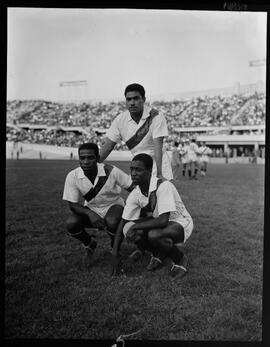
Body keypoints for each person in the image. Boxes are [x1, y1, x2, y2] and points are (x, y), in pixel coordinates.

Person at [111, 153, 193, 278]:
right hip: (160, 221)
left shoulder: (163, 186)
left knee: (153, 234)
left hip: (180, 222)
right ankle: (158, 254)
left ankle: (180, 259)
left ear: (149, 171)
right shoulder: (136, 193)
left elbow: (163, 221)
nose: (133, 173)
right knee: (128, 227)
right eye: (132, 169)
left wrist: (135, 227)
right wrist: (115, 253)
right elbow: (124, 221)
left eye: (138, 169)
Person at [62, 142, 133, 260]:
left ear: (98, 158)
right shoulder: (72, 175)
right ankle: (89, 243)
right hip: (92, 208)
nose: (85, 161)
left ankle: (114, 247)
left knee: (112, 221)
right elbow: (72, 205)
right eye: (82, 158)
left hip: (114, 205)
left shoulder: (111, 170)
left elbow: (132, 187)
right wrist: (90, 213)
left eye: (90, 157)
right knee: (71, 223)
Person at [99, 83, 173, 180]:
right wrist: (92, 165)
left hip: (159, 166)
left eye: (136, 98)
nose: (132, 102)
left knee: (160, 194)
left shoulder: (156, 116)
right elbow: (108, 146)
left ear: (143, 99)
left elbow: (157, 147)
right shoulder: (120, 120)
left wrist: (159, 174)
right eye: (128, 99)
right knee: (138, 195)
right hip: (139, 167)